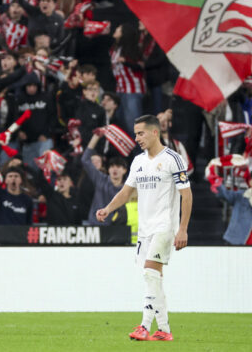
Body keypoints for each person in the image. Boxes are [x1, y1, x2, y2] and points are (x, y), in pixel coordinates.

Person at [96, 114, 192, 342]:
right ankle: (165, 330)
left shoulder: (173, 159)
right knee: (154, 277)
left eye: (141, 133)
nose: (137, 138)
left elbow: (186, 195)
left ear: (154, 132)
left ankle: (144, 326)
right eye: (136, 133)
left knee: (150, 272)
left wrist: (183, 229)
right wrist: (108, 209)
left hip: (164, 226)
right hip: (145, 229)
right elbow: (126, 192)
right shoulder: (138, 161)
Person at [81, 133, 128, 226]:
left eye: (118, 166)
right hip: (95, 226)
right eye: (112, 166)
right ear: (108, 169)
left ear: (124, 170)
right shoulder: (101, 179)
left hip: (117, 228)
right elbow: (85, 159)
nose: (115, 169)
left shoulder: (128, 188)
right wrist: (96, 136)